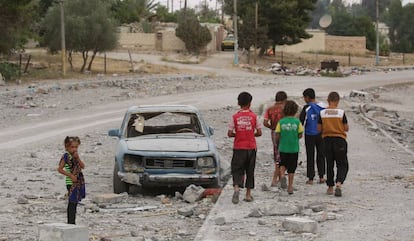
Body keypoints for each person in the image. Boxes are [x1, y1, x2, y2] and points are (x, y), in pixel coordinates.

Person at [228, 91, 262, 204]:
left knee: (237, 169)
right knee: (250, 170)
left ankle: (237, 188)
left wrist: (237, 134)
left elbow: (229, 133)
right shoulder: (254, 116)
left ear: (238, 103)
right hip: (251, 147)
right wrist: (251, 133)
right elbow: (259, 132)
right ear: (250, 103)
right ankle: (248, 194)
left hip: (238, 147)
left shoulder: (235, 117)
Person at [317, 92, 349, 197]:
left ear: (328, 100)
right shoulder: (341, 113)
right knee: (342, 163)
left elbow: (319, 129)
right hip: (339, 140)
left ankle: (330, 187)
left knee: (329, 164)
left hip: (326, 140)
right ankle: (339, 183)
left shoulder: (322, 113)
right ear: (337, 101)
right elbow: (346, 128)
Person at [275, 100, 303, 194]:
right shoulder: (297, 122)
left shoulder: (281, 122)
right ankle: (290, 187)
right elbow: (300, 134)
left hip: (283, 147)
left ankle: (282, 176)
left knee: (282, 164)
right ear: (295, 111)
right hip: (294, 148)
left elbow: (277, 134)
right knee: (292, 168)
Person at [299, 88, 326, 185]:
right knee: (321, 155)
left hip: (310, 134)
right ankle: (322, 177)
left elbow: (301, 122)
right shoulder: (322, 107)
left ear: (307, 97)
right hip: (321, 134)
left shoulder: (306, 108)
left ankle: (311, 178)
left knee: (310, 155)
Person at [58, 136, 86, 224]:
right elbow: (60, 169)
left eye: (76, 147)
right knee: (72, 202)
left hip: (78, 181)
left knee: (75, 202)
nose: (74, 149)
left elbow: (82, 166)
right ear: (67, 147)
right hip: (71, 182)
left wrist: (78, 158)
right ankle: (70, 222)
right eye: (72, 147)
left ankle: (72, 221)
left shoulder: (75, 156)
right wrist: (70, 175)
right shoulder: (66, 156)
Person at [263, 91, 287, 187]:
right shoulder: (285, 108)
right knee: (285, 153)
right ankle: (281, 176)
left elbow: (265, 122)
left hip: (274, 132)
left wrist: (272, 127)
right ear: (284, 100)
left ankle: (277, 178)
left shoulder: (270, 109)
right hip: (285, 132)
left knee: (277, 154)